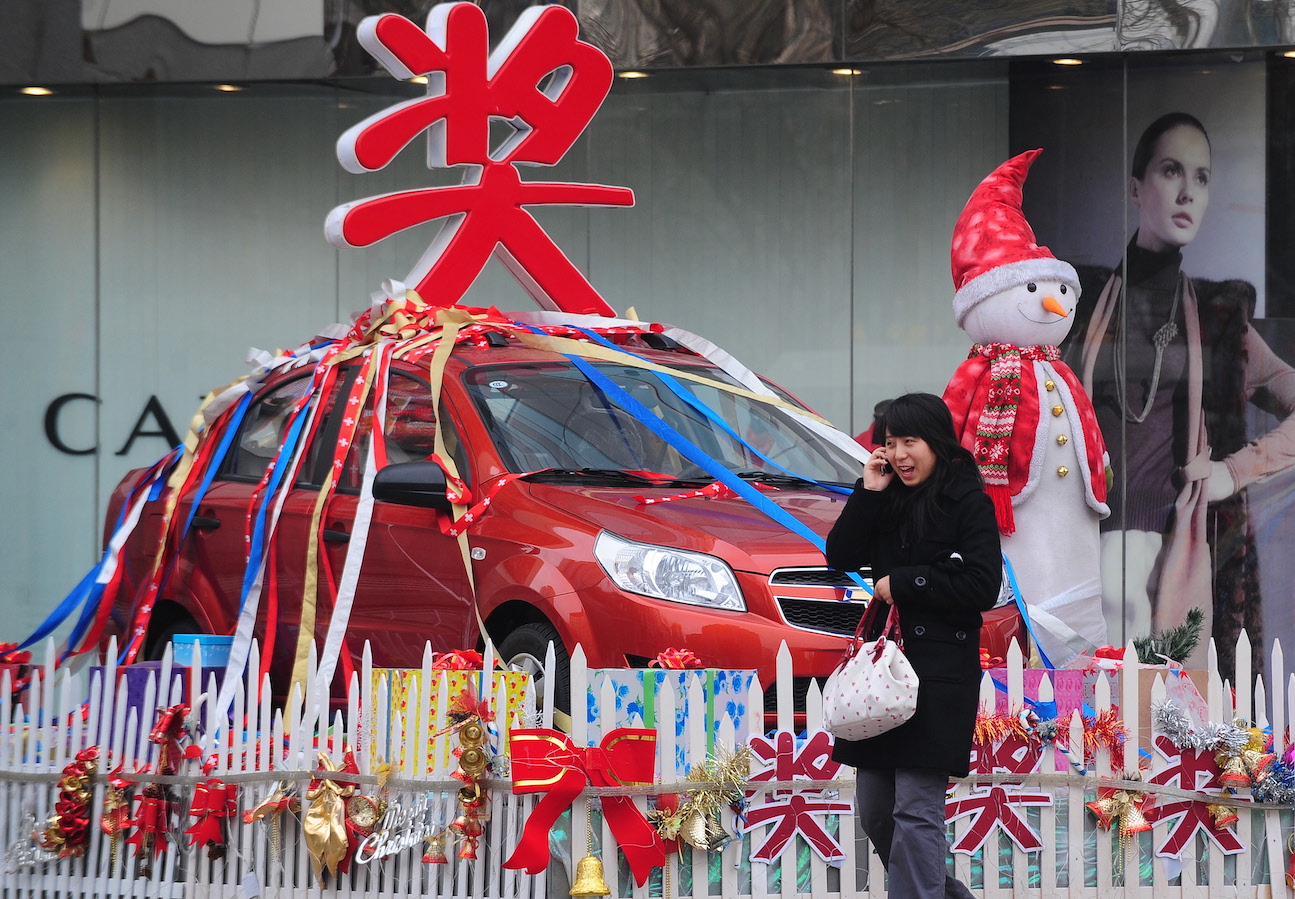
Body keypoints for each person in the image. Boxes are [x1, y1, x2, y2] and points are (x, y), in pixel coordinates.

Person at [1065, 112, 1295, 674]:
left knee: (1164, 716)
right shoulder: (1079, 300)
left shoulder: (1221, 320)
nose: (1189, 192)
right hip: (1080, 539)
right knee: (1080, 715)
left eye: (1203, 177)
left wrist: (1234, 471)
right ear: (1137, 188)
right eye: (1172, 171)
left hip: (1175, 549)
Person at [825, 392, 1002, 899]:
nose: (900, 454)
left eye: (910, 441)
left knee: (916, 811)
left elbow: (981, 586)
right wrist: (869, 490)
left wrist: (904, 583)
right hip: (884, 675)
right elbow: (840, 553)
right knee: (877, 811)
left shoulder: (970, 501)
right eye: (890, 443)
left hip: (938, 676)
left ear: (937, 443)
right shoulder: (886, 496)